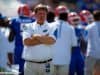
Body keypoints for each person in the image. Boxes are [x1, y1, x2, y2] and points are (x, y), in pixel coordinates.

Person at [22, 4, 57, 75]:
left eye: (44, 14)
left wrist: (36, 36)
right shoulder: (27, 26)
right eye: (40, 13)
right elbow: (27, 42)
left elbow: (51, 41)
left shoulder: (52, 26)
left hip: (47, 64)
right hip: (30, 65)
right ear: (35, 15)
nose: (42, 16)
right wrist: (44, 39)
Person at [51, 5, 77, 75]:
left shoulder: (50, 25)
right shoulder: (71, 28)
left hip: (51, 59)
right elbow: (74, 44)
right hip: (64, 60)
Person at [10, 4, 34, 75]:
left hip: (18, 49)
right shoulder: (33, 21)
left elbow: (10, 39)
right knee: (28, 71)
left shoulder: (14, 21)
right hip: (29, 49)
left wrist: (13, 28)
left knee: (15, 71)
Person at [85, 10, 100, 75]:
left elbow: (85, 39)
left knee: (88, 72)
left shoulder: (89, 27)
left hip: (91, 53)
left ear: (93, 17)